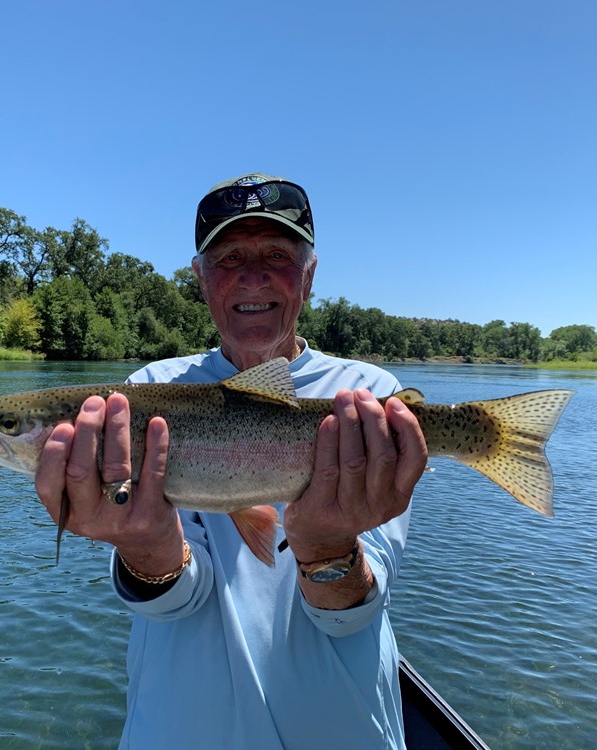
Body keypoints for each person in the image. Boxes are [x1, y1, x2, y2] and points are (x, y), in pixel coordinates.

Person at [35, 173, 428, 749]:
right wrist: (147, 550)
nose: (253, 276)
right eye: (229, 258)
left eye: (276, 254)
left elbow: (351, 614)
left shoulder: (366, 395)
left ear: (310, 275)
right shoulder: (146, 392)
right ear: (200, 278)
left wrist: (325, 549)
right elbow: (176, 603)